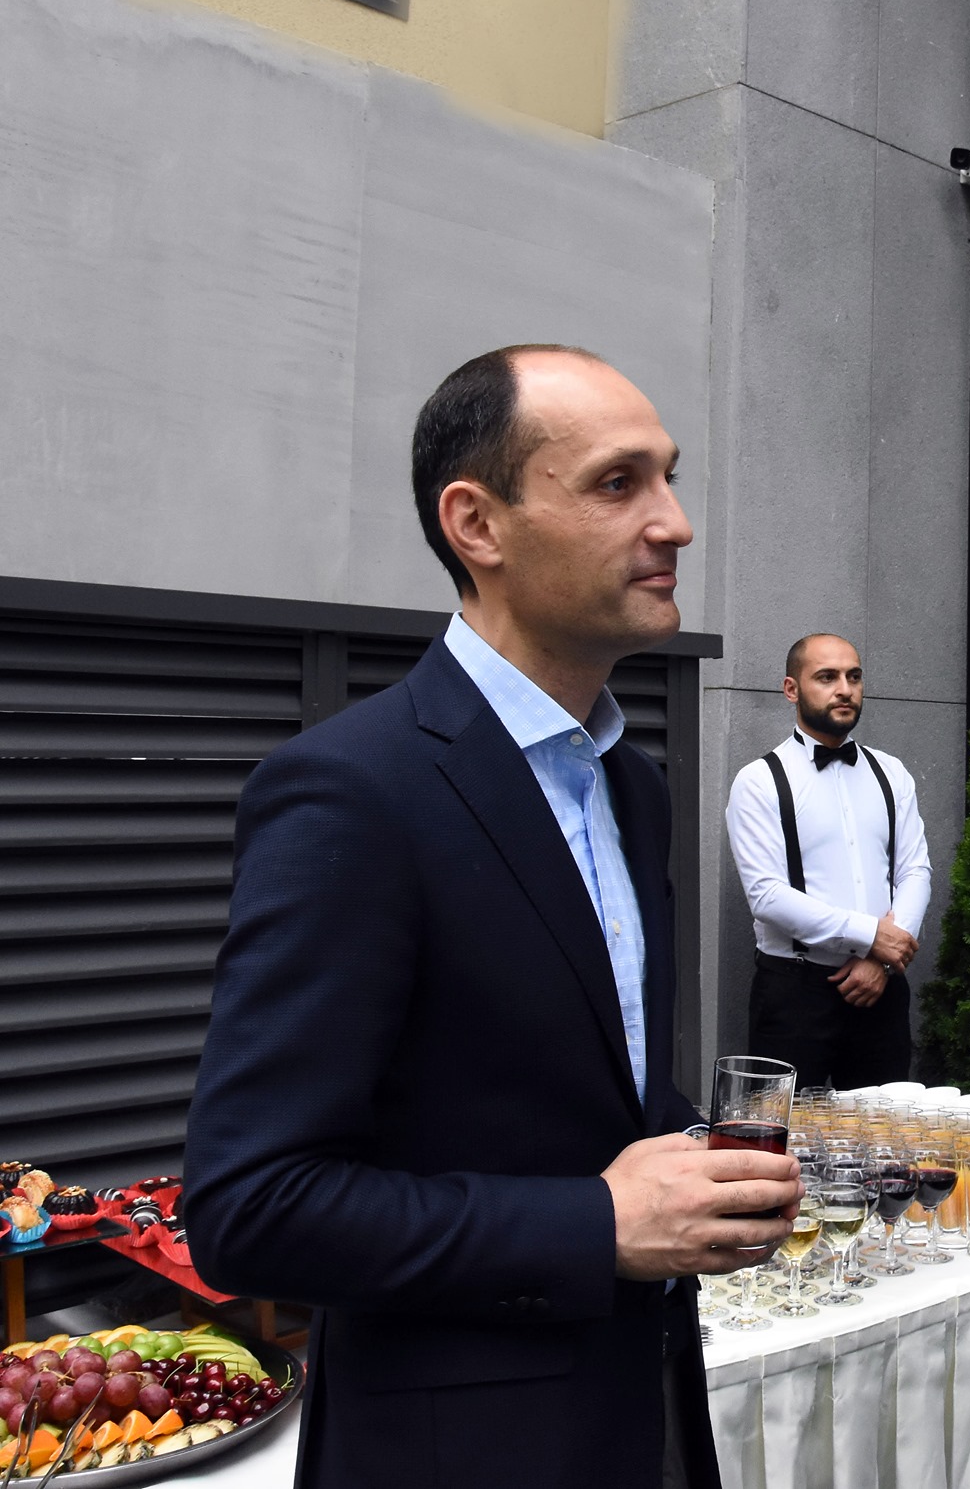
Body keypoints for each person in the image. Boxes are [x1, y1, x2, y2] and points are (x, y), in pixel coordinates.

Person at [183, 345, 801, 1489]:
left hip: (643, 1417)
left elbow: (579, 1096)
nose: (675, 524)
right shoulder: (351, 793)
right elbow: (250, 1208)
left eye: (668, 478)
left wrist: (702, 1165)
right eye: (617, 484)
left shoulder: (633, 784)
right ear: (477, 524)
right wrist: (597, 1227)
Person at [725, 633, 931, 1089]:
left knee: (882, 1126)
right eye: (827, 677)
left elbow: (915, 871)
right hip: (795, 994)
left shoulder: (891, 773)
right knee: (784, 1127)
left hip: (880, 989)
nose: (844, 689)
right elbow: (767, 896)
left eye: (853, 677)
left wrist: (882, 959)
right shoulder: (760, 781)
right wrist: (870, 936)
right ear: (791, 689)